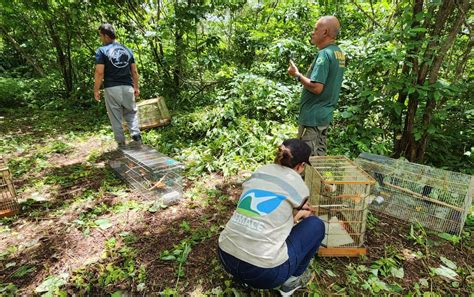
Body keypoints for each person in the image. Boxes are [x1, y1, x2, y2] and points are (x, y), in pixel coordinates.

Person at [218, 139, 325, 296]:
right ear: (301, 166)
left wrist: (296, 216)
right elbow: (298, 210)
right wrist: (302, 214)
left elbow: (273, 215)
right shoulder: (297, 184)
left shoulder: (260, 171)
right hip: (264, 273)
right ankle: (290, 283)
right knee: (316, 225)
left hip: (225, 256)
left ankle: (241, 275)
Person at [288, 16, 346, 156]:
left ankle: (306, 179)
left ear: (325, 32)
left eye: (315, 29)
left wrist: (297, 75)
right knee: (318, 159)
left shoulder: (324, 55)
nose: (312, 33)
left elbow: (317, 87)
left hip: (313, 118)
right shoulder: (338, 53)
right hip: (323, 117)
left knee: (306, 161)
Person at [94, 23, 141, 148]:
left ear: (105, 36)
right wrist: (136, 87)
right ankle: (136, 135)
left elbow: (99, 72)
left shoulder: (102, 51)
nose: (100, 39)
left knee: (115, 116)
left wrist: (96, 90)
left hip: (111, 87)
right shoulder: (127, 49)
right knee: (131, 113)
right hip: (128, 87)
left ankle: (121, 144)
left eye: (100, 36)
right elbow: (134, 71)